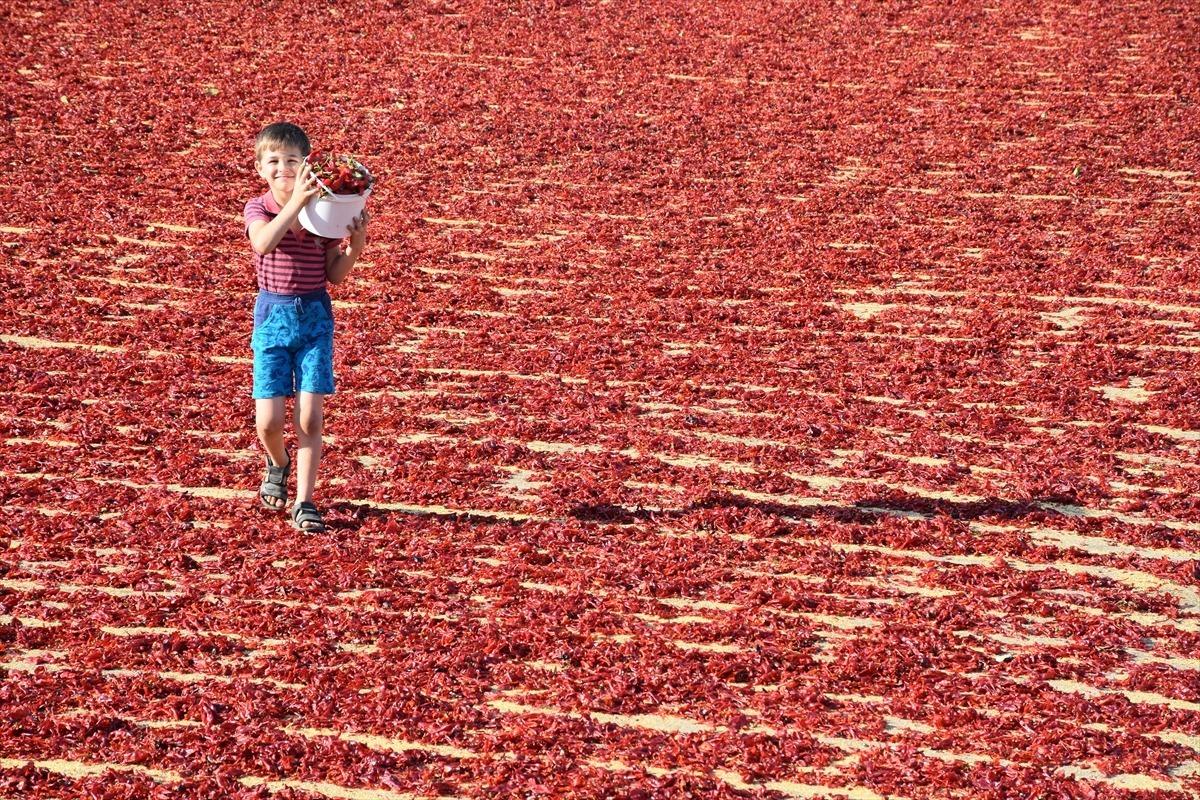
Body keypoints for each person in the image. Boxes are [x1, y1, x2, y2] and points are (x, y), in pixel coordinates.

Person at [244, 122, 368, 531]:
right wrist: (296, 202)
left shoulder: (324, 213)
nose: (283, 168)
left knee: (310, 419)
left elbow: (335, 274)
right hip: (272, 317)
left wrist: (355, 247)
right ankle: (277, 462)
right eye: (274, 161)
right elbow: (263, 243)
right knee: (269, 423)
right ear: (261, 167)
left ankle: (304, 500)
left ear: (308, 166)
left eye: (293, 161)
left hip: (315, 316)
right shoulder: (258, 208)